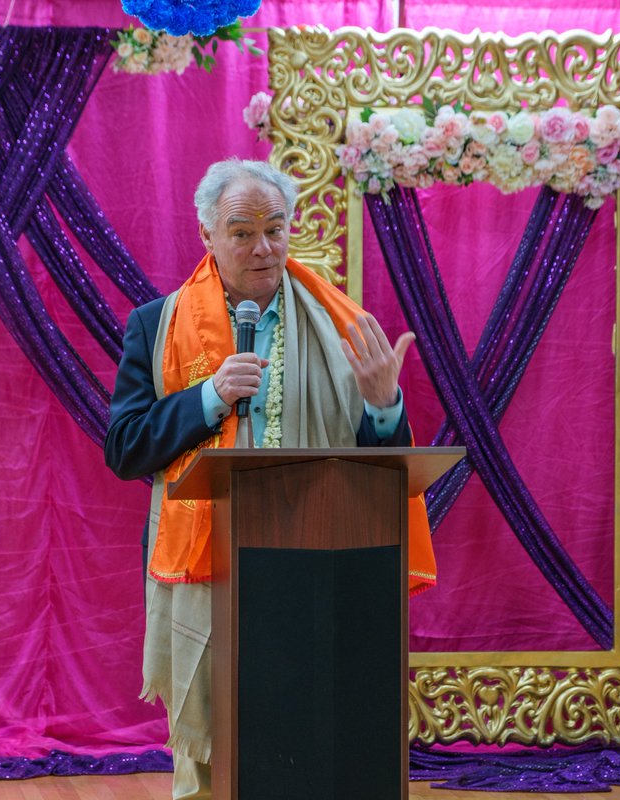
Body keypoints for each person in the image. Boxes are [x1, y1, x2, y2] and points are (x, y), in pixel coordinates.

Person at [104, 158, 435, 800]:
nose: (263, 247)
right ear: (207, 236)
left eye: (275, 229)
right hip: (214, 569)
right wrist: (208, 397)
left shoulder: (342, 327)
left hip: (323, 568)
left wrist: (383, 405)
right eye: (242, 231)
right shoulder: (157, 325)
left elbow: (388, 469)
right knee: (222, 747)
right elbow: (125, 448)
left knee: (320, 736)